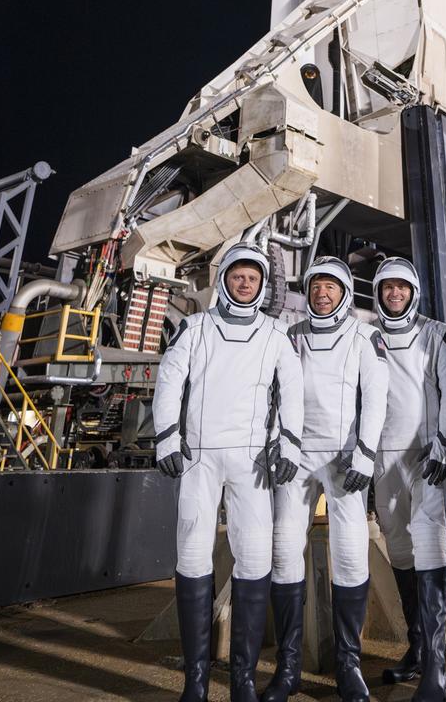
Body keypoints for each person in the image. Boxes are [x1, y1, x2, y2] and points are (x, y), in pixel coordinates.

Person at [153, 242, 303, 702]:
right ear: (225, 281)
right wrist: (165, 436)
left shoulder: (276, 335)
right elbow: (169, 379)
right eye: (238, 275)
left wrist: (289, 442)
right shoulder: (196, 328)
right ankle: (195, 681)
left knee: (255, 559)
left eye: (253, 277)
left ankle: (243, 681)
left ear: (262, 284)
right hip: (199, 457)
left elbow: (291, 391)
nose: (245, 282)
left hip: (251, 461)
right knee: (192, 557)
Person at [266, 256, 389, 702]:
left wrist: (365, 453)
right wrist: (281, 443)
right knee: (282, 553)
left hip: (344, 460)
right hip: (295, 458)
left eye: (331, 287)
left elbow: (376, 396)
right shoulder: (290, 335)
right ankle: (289, 666)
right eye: (316, 286)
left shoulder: (364, 335)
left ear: (343, 293)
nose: (322, 293)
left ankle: (348, 665)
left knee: (352, 556)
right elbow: (275, 393)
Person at [371, 256, 446, 702]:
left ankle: (436, 668)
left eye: (401, 288)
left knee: (432, 548)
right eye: (387, 288)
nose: (394, 294)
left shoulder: (437, 334)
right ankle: (417, 648)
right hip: (384, 460)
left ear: (413, 291)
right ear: (378, 292)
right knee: (400, 552)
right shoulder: (367, 335)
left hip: (427, 457)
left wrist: (445, 443)